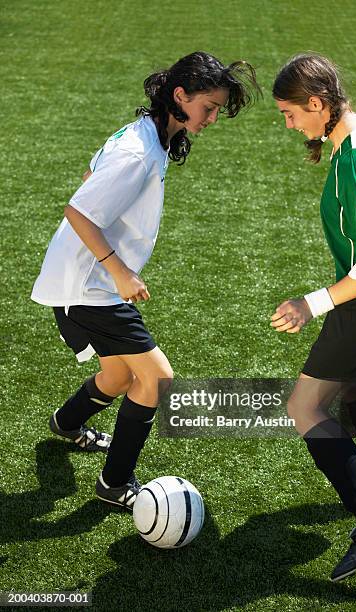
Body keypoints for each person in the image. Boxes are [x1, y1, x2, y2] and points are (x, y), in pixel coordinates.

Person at [31, 51, 259, 512]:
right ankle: (115, 484)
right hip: (90, 287)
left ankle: (67, 423)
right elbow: (77, 209)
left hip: (84, 282)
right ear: (180, 95)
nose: (212, 117)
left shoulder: (144, 137)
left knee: (117, 375)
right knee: (156, 379)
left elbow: (89, 177)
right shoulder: (139, 152)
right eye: (208, 107)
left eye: (217, 110)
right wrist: (119, 269)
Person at [271, 53, 356, 582]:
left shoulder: (352, 161)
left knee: (305, 407)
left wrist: (312, 303)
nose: (290, 125)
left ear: (317, 103)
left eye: (290, 113)